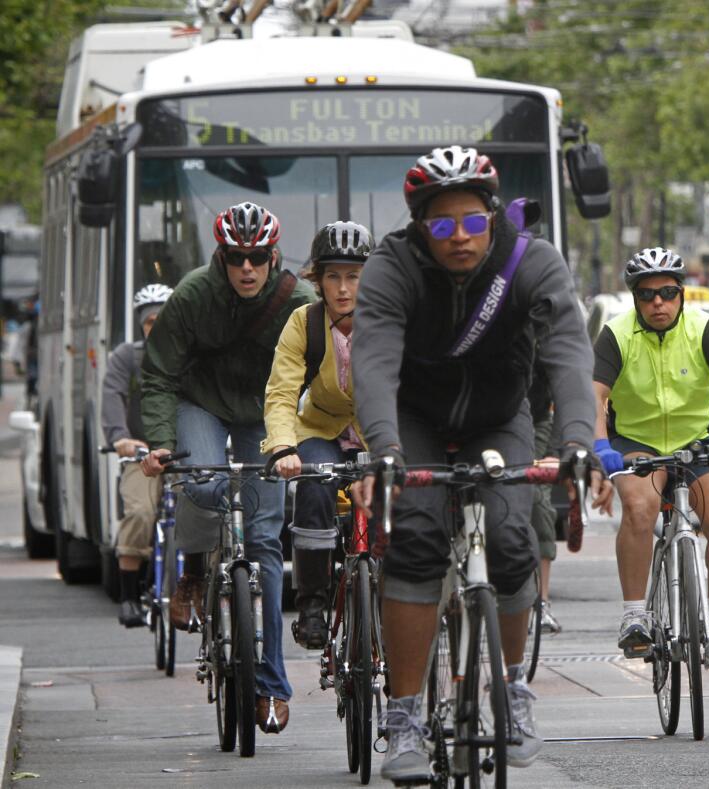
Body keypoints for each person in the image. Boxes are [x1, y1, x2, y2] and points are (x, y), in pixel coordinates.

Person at [350, 145, 610, 783]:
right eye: (442, 225)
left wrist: (577, 442)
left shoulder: (531, 261)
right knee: (412, 539)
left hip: (500, 417)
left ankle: (514, 691)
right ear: (420, 227)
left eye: (472, 221)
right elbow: (375, 362)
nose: (459, 237)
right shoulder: (391, 266)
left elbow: (570, 358)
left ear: (494, 215)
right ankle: (404, 715)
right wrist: (383, 449)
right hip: (414, 420)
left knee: (512, 538)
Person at [140, 201, 316, 734]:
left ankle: (270, 689)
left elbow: (325, 372)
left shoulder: (300, 301)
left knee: (263, 546)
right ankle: (194, 572)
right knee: (204, 481)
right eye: (236, 257)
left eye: (257, 257)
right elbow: (159, 375)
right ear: (222, 255)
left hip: (269, 413)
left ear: (272, 256)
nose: (247, 268)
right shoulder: (193, 294)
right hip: (204, 404)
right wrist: (160, 443)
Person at [592, 246, 709, 670]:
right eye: (647, 295)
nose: (658, 303)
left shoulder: (703, 328)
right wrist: (600, 447)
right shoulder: (616, 333)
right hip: (636, 439)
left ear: (681, 293)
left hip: (695, 440)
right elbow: (595, 396)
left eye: (668, 292)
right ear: (635, 299)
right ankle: (635, 614)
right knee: (638, 506)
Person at [261, 221, 373, 649]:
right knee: (313, 482)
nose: (343, 288)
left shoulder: (387, 320)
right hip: (321, 428)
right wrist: (284, 446)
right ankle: (312, 604)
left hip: (377, 431)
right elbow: (281, 391)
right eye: (332, 276)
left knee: (401, 496)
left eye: (354, 276)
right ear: (318, 280)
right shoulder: (303, 322)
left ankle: (394, 594)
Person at [101, 283, 172, 628]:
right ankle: (129, 596)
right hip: (142, 454)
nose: (157, 328)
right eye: (150, 322)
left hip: (182, 453)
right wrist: (121, 438)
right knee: (141, 513)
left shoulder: (193, 355)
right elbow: (113, 396)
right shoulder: (126, 357)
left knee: (210, 509)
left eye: (164, 320)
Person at [528, 356, 562, 635]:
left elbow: (566, 388)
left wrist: (555, 450)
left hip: (537, 421)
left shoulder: (542, 326)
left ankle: (542, 602)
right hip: (481, 424)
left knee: (538, 503)